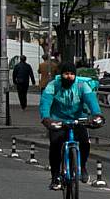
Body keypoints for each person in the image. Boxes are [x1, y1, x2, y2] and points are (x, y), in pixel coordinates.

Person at [39, 61, 103, 190]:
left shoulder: (82, 85)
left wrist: (97, 115)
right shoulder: (53, 85)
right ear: (61, 75)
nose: (69, 77)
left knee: (85, 142)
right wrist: (46, 118)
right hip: (58, 119)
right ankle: (55, 177)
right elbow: (45, 102)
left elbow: (91, 101)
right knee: (55, 144)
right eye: (66, 74)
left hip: (78, 119)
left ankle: (83, 166)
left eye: (72, 74)